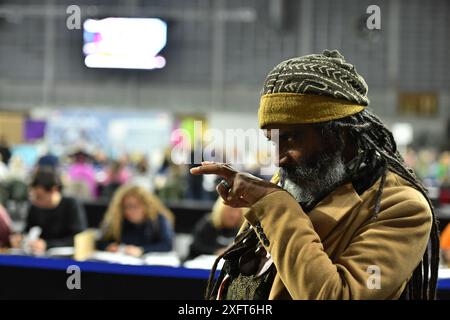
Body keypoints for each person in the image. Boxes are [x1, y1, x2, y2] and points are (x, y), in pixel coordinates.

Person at [191, 50, 439, 300]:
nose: (277, 158)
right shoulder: (292, 183)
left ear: (340, 135)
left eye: (289, 138)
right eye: (273, 141)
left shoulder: (400, 206)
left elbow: (338, 295)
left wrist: (276, 206)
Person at [10, 167, 87, 255]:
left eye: (39, 197)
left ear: (54, 190)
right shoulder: (35, 207)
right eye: (33, 197)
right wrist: (20, 239)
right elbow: (28, 230)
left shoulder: (71, 205)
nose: (35, 201)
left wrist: (47, 245)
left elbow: (79, 239)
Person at [98, 184, 175, 257]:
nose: (130, 211)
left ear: (146, 205)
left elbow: (167, 245)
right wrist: (110, 247)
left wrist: (142, 250)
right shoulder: (118, 220)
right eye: (126, 207)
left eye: (135, 206)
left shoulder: (157, 220)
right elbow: (101, 241)